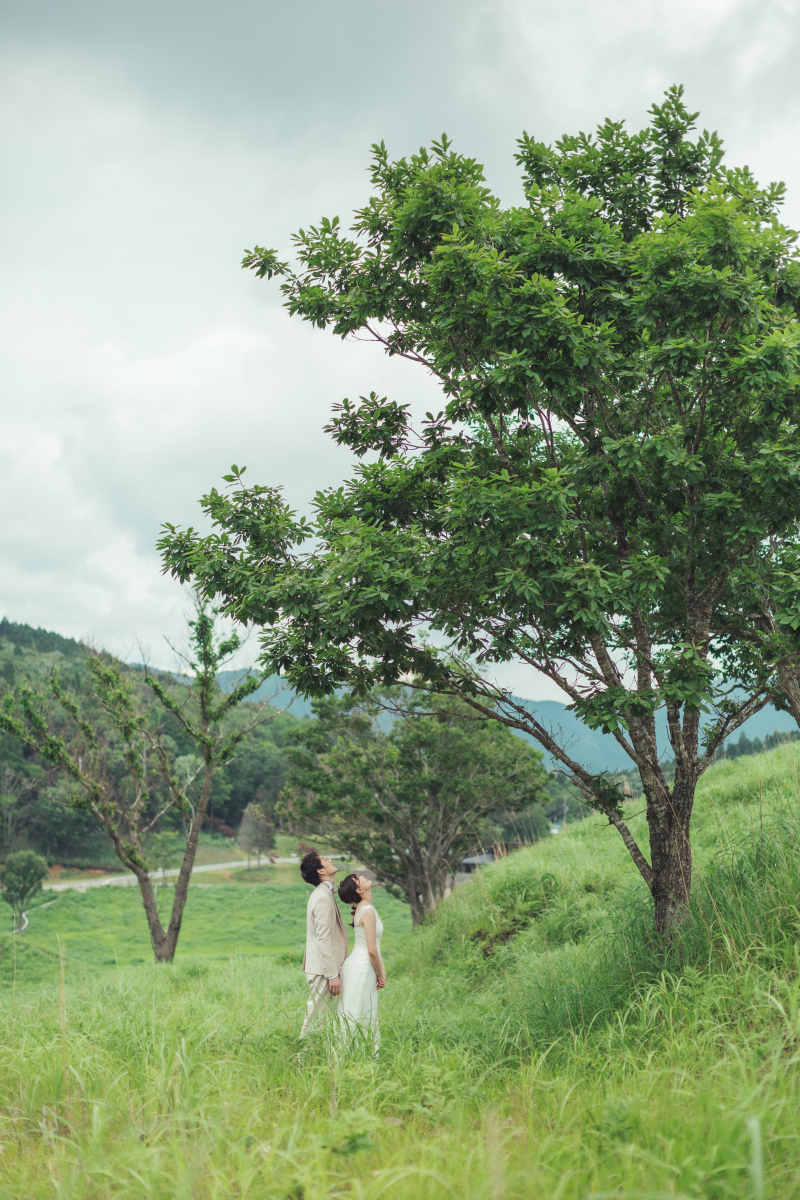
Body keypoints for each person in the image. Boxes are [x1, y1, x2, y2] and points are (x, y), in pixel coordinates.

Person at [299, 850, 348, 1039]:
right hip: (322, 969)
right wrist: (332, 974)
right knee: (315, 1017)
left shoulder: (324, 893)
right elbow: (323, 938)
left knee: (323, 1017)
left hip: (322, 968)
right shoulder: (321, 897)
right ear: (320, 871)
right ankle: (301, 1059)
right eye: (325, 860)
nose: (330, 860)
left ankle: (316, 1058)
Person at [337, 872, 386, 1053]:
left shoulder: (363, 909)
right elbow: (372, 950)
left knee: (354, 1009)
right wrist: (381, 973)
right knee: (360, 1011)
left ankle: (350, 1053)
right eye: (360, 878)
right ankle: (361, 1054)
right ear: (359, 889)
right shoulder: (368, 911)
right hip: (364, 965)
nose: (364, 876)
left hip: (356, 963)